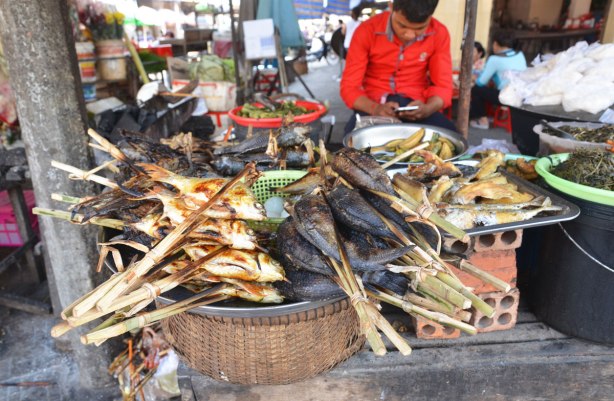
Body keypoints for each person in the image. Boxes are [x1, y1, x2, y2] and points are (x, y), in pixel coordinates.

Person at [340, 0, 455, 134]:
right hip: (373, 104)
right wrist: (375, 108)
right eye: (402, 25)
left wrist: (428, 108)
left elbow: (443, 86)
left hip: (417, 105)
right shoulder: (366, 30)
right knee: (351, 142)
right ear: (391, 6)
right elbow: (349, 87)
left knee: (452, 138)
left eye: (419, 28)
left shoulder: (439, 33)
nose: (409, 35)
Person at [469, 31, 527, 129]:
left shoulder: (494, 59)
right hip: (523, 95)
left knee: (476, 89)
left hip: (507, 97)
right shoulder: (520, 54)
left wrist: (474, 78)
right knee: (490, 88)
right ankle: (498, 115)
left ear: (495, 44)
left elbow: (481, 82)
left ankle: (483, 120)